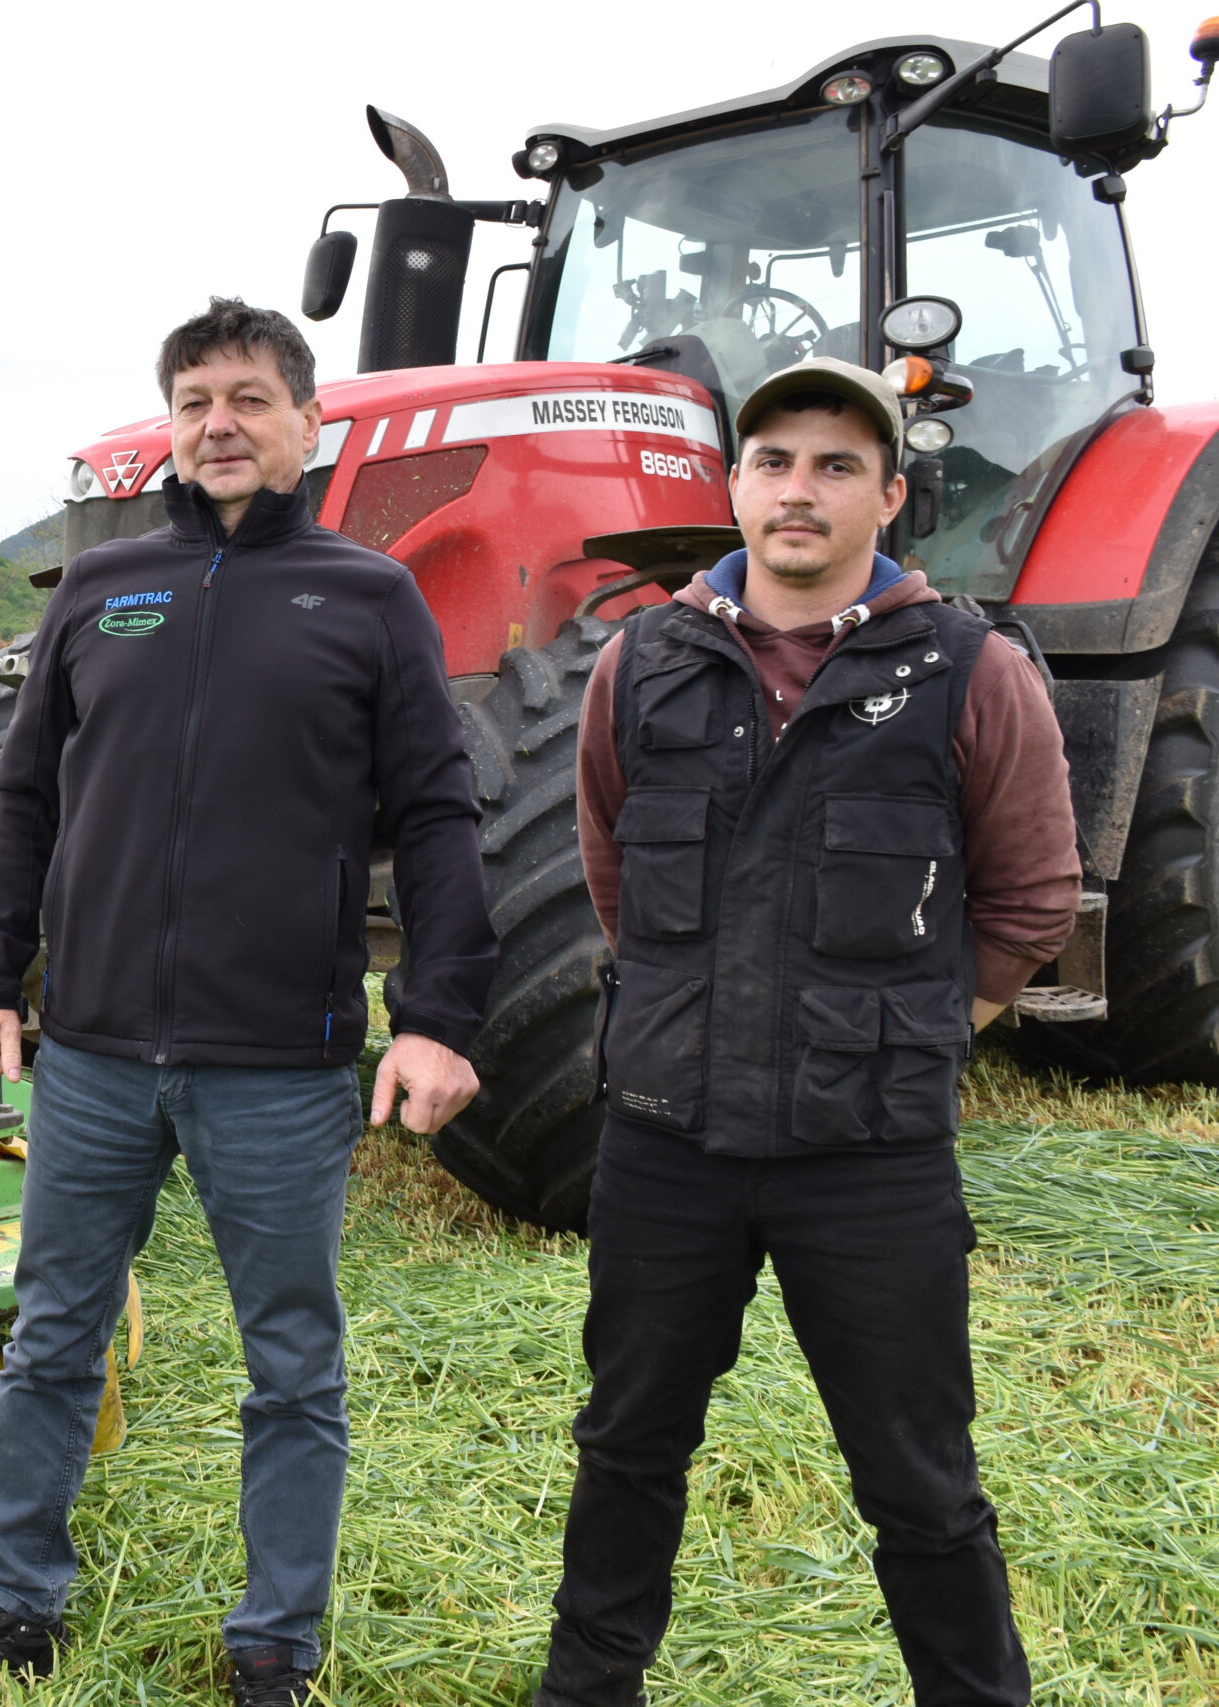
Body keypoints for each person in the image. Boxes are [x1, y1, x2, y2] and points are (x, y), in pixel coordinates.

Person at [0, 297, 500, 1706]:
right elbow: (29, 803)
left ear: (307, 423)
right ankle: (16, 1608)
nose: (219, 424)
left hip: (280, 1065)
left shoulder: (367, 598)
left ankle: (275, 1648)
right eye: (194, 402)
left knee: (291, 1365)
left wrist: (439, 1015)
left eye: (249, 397)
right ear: (169, 428)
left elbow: (435, 817)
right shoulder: (98, 591)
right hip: (100, 1056)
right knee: (54, 1333)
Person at [533, 356, 1080, 1707]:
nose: (800, 488)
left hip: (872, 1156)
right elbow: (615, 873)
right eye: (774, 460)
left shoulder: (969, 669)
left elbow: (1032, 898)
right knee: (627, 1445)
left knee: (920, 1477)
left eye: (838, 465)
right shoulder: (641, 664)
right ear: (734, 486)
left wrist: (919, 1032)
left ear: (889, 496)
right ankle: (588, 1691)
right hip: (668, 1140)